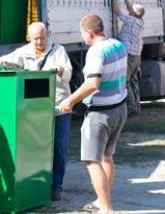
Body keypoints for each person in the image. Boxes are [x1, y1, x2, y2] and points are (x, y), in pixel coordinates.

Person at [0, 22, 73, 201]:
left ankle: (56, 186)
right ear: (29, 37)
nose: (39, 42)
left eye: (42, 38)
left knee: (59, 147)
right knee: (35, 148)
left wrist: (60, 71)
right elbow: (3, 61)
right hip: (35, 109)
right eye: (35, 39)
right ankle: (37, 185)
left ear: (47, 35)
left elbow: (69, 74)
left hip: (59, 107)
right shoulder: (24, 52)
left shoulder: (58, 51)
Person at [58, 14, 127, 214]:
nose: (82, 38)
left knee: (91, 160)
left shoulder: (96, 52)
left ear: (89, 32)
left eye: (82, 34)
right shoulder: (118, 45)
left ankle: (106, 208)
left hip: (100, 114)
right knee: (107, 156)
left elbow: (92, 84)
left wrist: (69, 101)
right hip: (119, 108)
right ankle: (102, 200)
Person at [113, 0, 145, 116]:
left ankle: (132, 109)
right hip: (137, 55)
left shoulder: (131, 21)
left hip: (129, 55)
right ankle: (137, 106)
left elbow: (117, 12)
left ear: (134, 13)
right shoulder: (140, 22)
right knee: (133, 80)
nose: (129, 10)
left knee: (125, 81)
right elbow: (131, 11)